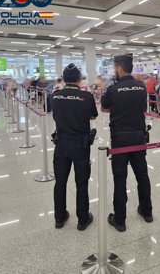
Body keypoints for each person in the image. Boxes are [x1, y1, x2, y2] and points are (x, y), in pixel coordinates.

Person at [101, 54, 153, 232]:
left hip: (120, 139)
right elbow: (143, 108)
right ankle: (147, 212)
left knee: (120, 179)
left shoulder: (113, 88)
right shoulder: (141, 86)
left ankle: (120, 220)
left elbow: (104, 108)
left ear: (119, 68)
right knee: (142, 176)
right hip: (139, 136)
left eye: (115, 67)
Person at [52, 63, 98, 230]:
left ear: (64, 79)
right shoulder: (87, 97)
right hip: (81, 145)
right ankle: (82, 219)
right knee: (81, 183)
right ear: (79, 79)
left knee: (60, 182)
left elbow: (54, 115)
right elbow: (93, 116)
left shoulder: (55, 96)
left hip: (62, 144)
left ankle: (59, 217)